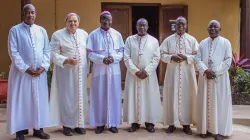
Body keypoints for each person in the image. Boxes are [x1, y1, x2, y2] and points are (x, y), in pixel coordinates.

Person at [6, 4, 50, 140]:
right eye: (27, 12)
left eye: (32, 12)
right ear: (23, 14)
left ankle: (38, 129)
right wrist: (26, 68)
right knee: (21, 102)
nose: (30, 15)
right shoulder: (15, 30)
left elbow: (47, 51)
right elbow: (13, 52)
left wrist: (44, 66)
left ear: (35, 14)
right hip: (21, 74)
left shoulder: (42, 31)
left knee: (38, 101)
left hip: (39, 74)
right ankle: (20, 131)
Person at [49, 13, 89, 136]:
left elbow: (87, 53)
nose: (73, 24)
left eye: (75, 21)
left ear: (79, 22)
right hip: (66, 73)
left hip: (80, 73)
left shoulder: (84, 34)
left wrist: (87, 69)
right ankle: (67, 125)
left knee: (80, 97)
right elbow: (52, 54)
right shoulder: (57, 35)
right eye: (70, 21)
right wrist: (66, 60)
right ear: (65, 22)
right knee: (67, 98)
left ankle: (78, 124)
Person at [87, 11, 124, 134]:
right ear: (100, 20)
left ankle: (113, 123)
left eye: (108, 19)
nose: (106, 21)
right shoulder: (93, 35)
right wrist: (102, 59)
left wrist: (114, 58)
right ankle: (99, 123)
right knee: (99, 96)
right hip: (99, 70)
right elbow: (90, 53)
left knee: (114, 96)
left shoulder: (117, 35)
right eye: (103, 19)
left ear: (111, 21)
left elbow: (121, 52)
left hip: (114, 71)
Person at [160, 16, 198, 135]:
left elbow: (198, 56)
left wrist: (187, 57)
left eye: (183, 24)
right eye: (178, 24)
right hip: (172, 73)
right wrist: (171, 57)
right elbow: (161, 54)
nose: (181, 26)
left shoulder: (192, 40)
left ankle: (187, 125)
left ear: (186, 25)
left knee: (188, 97)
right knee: (171, 96)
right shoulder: (168, 40)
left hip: (187, 74)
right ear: (174, 26)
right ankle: (171, 124)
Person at [123, 18, 162, 133]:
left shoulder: (154, 41)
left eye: (144, 25)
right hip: (133, 75)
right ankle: (134, 122)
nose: (142, 27)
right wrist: (135, 71)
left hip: (148, 75)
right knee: (133, 97)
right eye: (140, 25)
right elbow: (126, 57)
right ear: (136, 26)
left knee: (149, 98)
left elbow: (156, 58)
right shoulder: (130, 40)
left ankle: (149, 122)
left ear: (147, 27)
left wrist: (146, 71)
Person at [196, 20, 232, 140]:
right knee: (204, 102)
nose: (212, 28)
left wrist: (214, 72)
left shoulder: (226, 42)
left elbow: (227, 60)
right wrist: (206, 70)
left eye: (215, 26)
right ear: (207, 29)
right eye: (210, 26)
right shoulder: (202, 43)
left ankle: (219, 131)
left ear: (219, 29)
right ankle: (204, 128)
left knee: (220, 104)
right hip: (205, 77)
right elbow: (197, 59)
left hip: (219, 79)